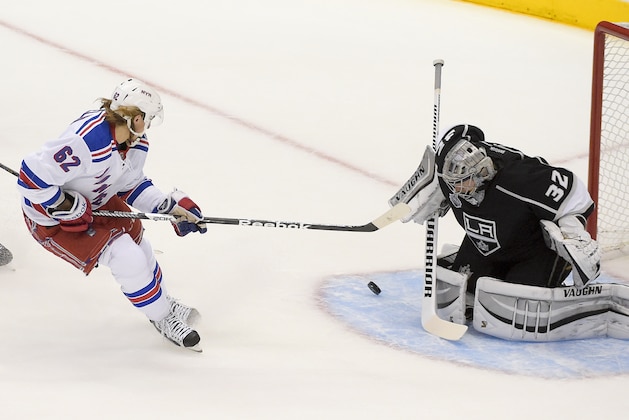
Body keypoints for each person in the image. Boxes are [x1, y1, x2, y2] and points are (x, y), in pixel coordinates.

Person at [17, 78, 207, 351]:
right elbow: (30, 178)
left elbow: (131, 184)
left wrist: (170, 208)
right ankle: (163, 316)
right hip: (51, 219)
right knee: (125, 256)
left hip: (97, 200)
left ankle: (161, 300)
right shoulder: (87, 140)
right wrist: (61, 204)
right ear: (134, 117)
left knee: (139, 241)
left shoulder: (134, 142)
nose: (149, 125)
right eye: (147, 119)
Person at [393, 124, 606, 340]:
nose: (455, 190)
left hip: (533, 251)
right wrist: (428, 183)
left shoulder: (520, 179)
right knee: (461, 288)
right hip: (485, 244)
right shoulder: (452, 176)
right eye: (451, 184)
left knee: (518, 304)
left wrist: (574, 233)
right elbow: (448, 144)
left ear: (481, 174)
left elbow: (572, 191)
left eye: (460, 184)